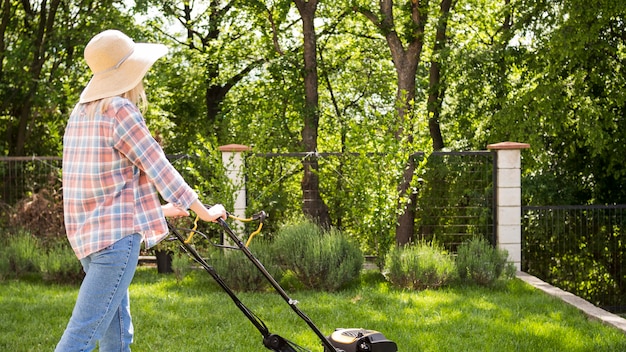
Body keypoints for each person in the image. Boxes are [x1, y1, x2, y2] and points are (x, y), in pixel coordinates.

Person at [55, 29, 227, 352]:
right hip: (115, 247)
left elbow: (98, 189)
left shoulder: (79, 116)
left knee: (117, 336)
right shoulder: (120, 111)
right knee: (79, 338)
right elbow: (159, 167)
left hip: (87, 243)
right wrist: (203, 211)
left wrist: (161, 211)